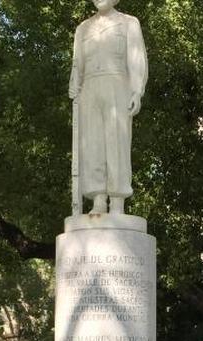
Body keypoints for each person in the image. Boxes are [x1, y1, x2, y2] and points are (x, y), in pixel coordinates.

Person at [69, 0, 147, 217]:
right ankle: (98, 199)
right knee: (93, 145)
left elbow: (136, 59)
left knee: (117, 143)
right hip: (90, 89)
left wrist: (136, 91)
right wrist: (74, 83)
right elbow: (78, 64)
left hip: (117, 85)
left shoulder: (129, 23)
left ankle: (117, 202)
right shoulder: (83, 28)